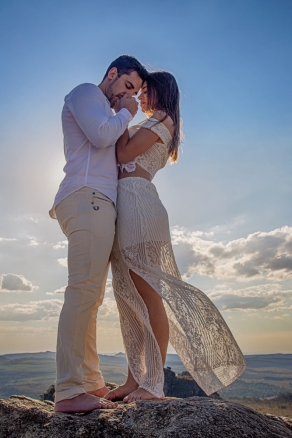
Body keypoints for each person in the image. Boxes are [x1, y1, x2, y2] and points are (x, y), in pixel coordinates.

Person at [104, 71, 246, 403]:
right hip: (126, 205)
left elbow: (123, 155)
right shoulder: (155, 121)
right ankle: (132, 379)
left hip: (139, 204)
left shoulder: (163, 119)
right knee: (129, 300)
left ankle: (153, 384)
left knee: (148, 296)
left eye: (144, 90)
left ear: (160, 91)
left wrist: (122, 115)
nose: (139, 96)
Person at [49, 55, 149, 413]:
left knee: (91, 297)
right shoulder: (87, 92)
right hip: (87, 197)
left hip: (95, 201)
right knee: (83, 293)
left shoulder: (105, 106)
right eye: (126, 86)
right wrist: (128, 112)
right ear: (112, 74)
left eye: (134, 92)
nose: (128, 96)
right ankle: (70, 390)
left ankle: (88, 382)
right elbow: (101, 135)